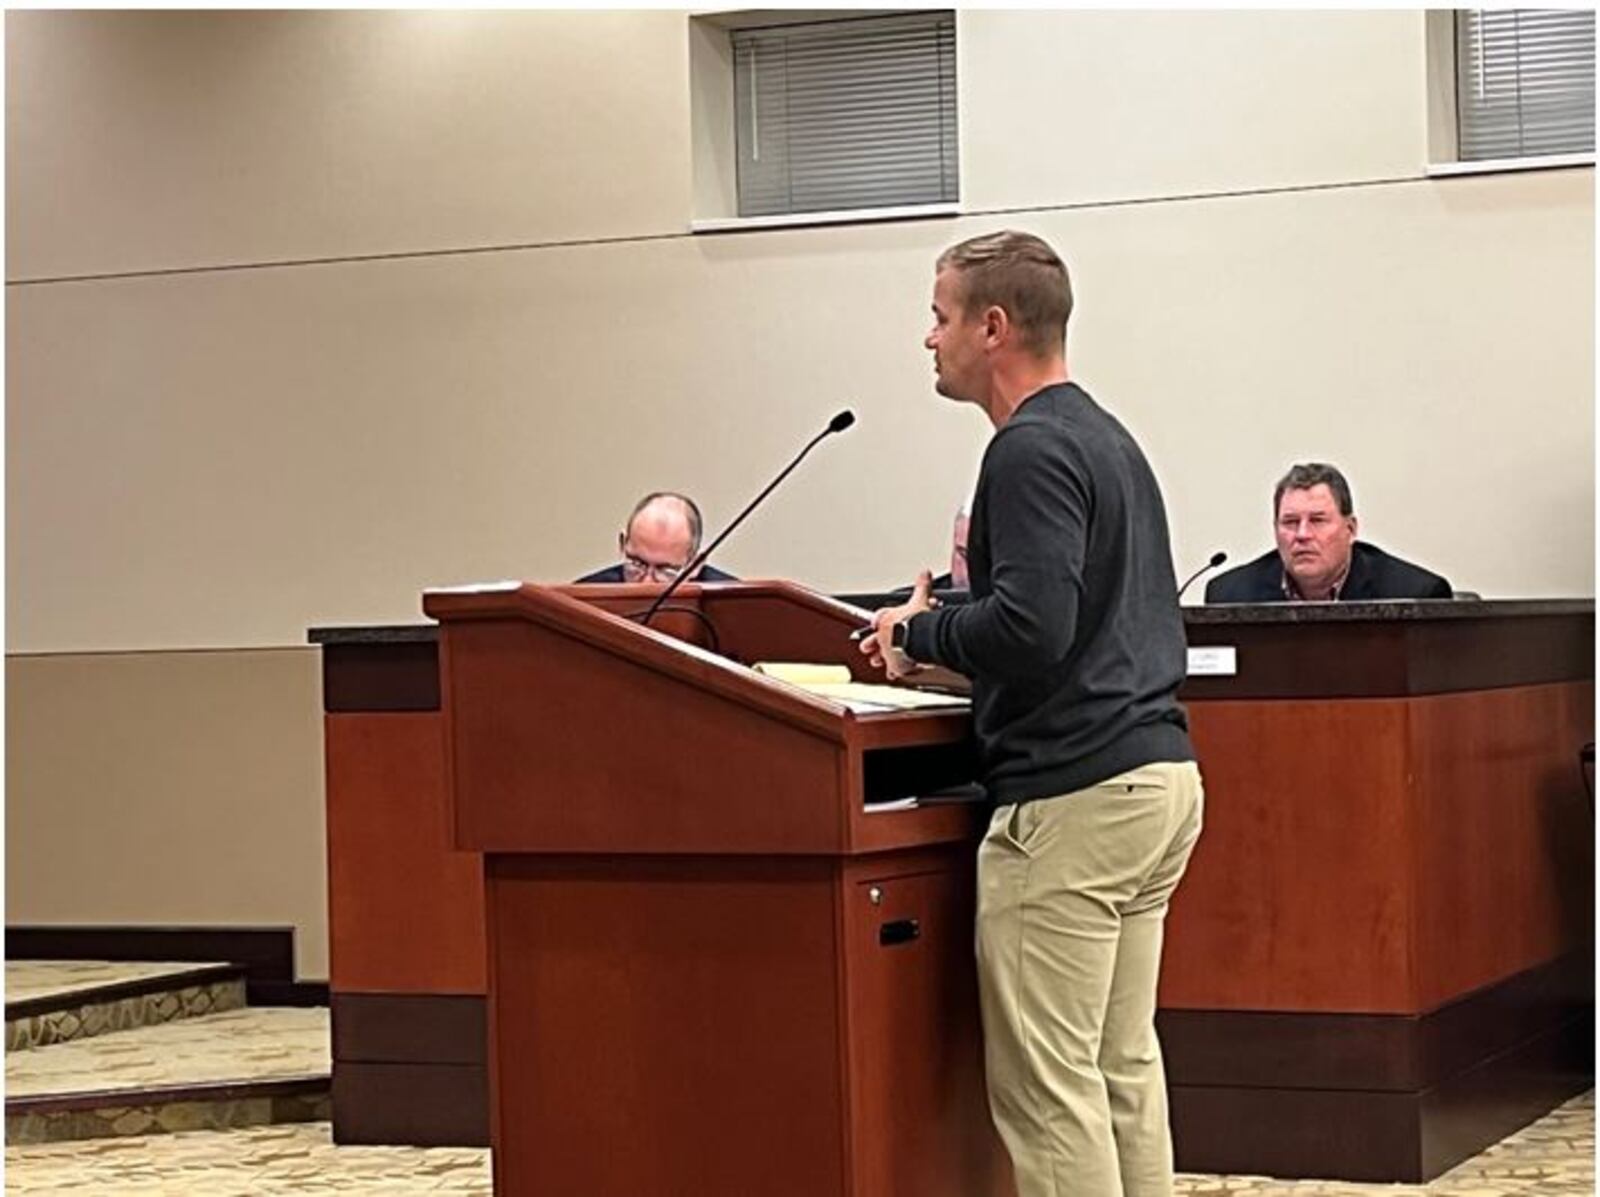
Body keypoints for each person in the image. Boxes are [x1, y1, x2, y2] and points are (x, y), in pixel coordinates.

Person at [859, 230, 1203, 1197]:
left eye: (939, 316)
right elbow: (1070, 625)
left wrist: (923, 633)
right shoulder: (1104, 437)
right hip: (1155, 779)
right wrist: (951, 630)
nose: (928, 339)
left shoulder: (1029, 448)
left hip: (1075, 801)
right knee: (1117, 1067)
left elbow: (1034, 625)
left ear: (993, 326)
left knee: (1049, 1096)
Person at [1204, 463, 1452, 603]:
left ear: (1351, 529)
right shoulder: (1230, 595)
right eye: (1290, 522)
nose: (1302, 534)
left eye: (1317, 520)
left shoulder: (1413, 595)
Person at [574, 491, 737, 584]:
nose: (646, 583)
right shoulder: (585, 599)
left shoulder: (736, 604)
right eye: (637, 564)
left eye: (665, 570)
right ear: (623, 544)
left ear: (695, 565)